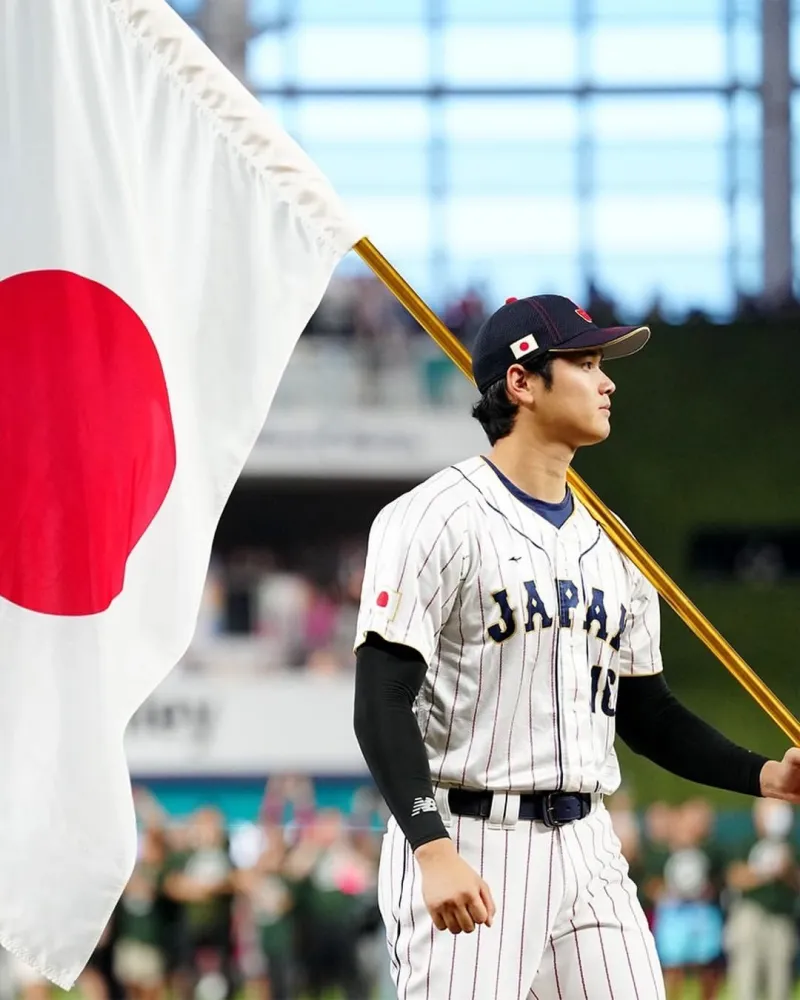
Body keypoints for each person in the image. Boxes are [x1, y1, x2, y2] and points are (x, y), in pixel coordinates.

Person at [351, 293, 800, 1000]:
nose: (607, 381)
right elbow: (381, 698)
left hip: (588, 845)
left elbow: (647, 713)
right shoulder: (433, 517)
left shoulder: (616, 540)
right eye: (585, 363)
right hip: (470, 836)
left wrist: (764, 776)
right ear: (521, 382)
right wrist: (430, 847)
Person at [725, 798, 799, 1000]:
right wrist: (764, 871)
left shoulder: (792, 846)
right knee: (747, 978)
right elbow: (734, 877)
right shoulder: (746, 842)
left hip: (781, 918)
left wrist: (787, 870)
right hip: (751, 914)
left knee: (780, 981)